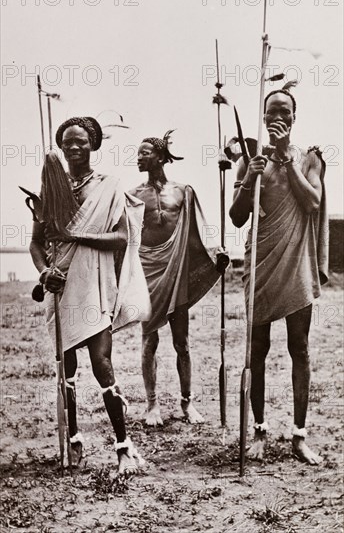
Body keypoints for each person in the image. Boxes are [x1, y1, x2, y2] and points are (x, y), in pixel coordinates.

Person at [28, 117, 150, 474]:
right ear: (60, 147)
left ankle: (124, 446)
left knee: (102, 364)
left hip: (95, 284)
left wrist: (78, 236)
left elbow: (121, 239)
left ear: (93, 144)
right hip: (60, 285)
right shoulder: (51, 188)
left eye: (81, 141)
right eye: (67, 142)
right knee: (65, 369)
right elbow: (37, 243)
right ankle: (73, 442)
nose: (74, 148)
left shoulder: (108, 187)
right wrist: (43, 271)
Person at [229, 90, 328, 464]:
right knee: (257, 350)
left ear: (294, 117)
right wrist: (249, 179)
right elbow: (237, 216)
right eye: (271, 111)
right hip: (261, 264)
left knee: (299, 348)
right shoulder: (250, 160)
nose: (277, 117)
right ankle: (259, 430)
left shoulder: (310, 158)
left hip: (296, 264)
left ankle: (299, 437)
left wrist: (286, 161)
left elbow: (313, 203)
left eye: (284, 111)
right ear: (263, 115)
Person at [129, 131, 228, 426]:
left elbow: (198, 231)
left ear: (159, 157)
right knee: (149, 340)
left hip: (177, 270)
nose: (138, 157)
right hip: (147, 270)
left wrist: (216, 252)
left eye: (144, 152)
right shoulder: (133, 196)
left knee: (182, 342)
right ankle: (152, 405)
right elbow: (129, 238)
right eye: (138, 153)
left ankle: (187, 404)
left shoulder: (183, 191)